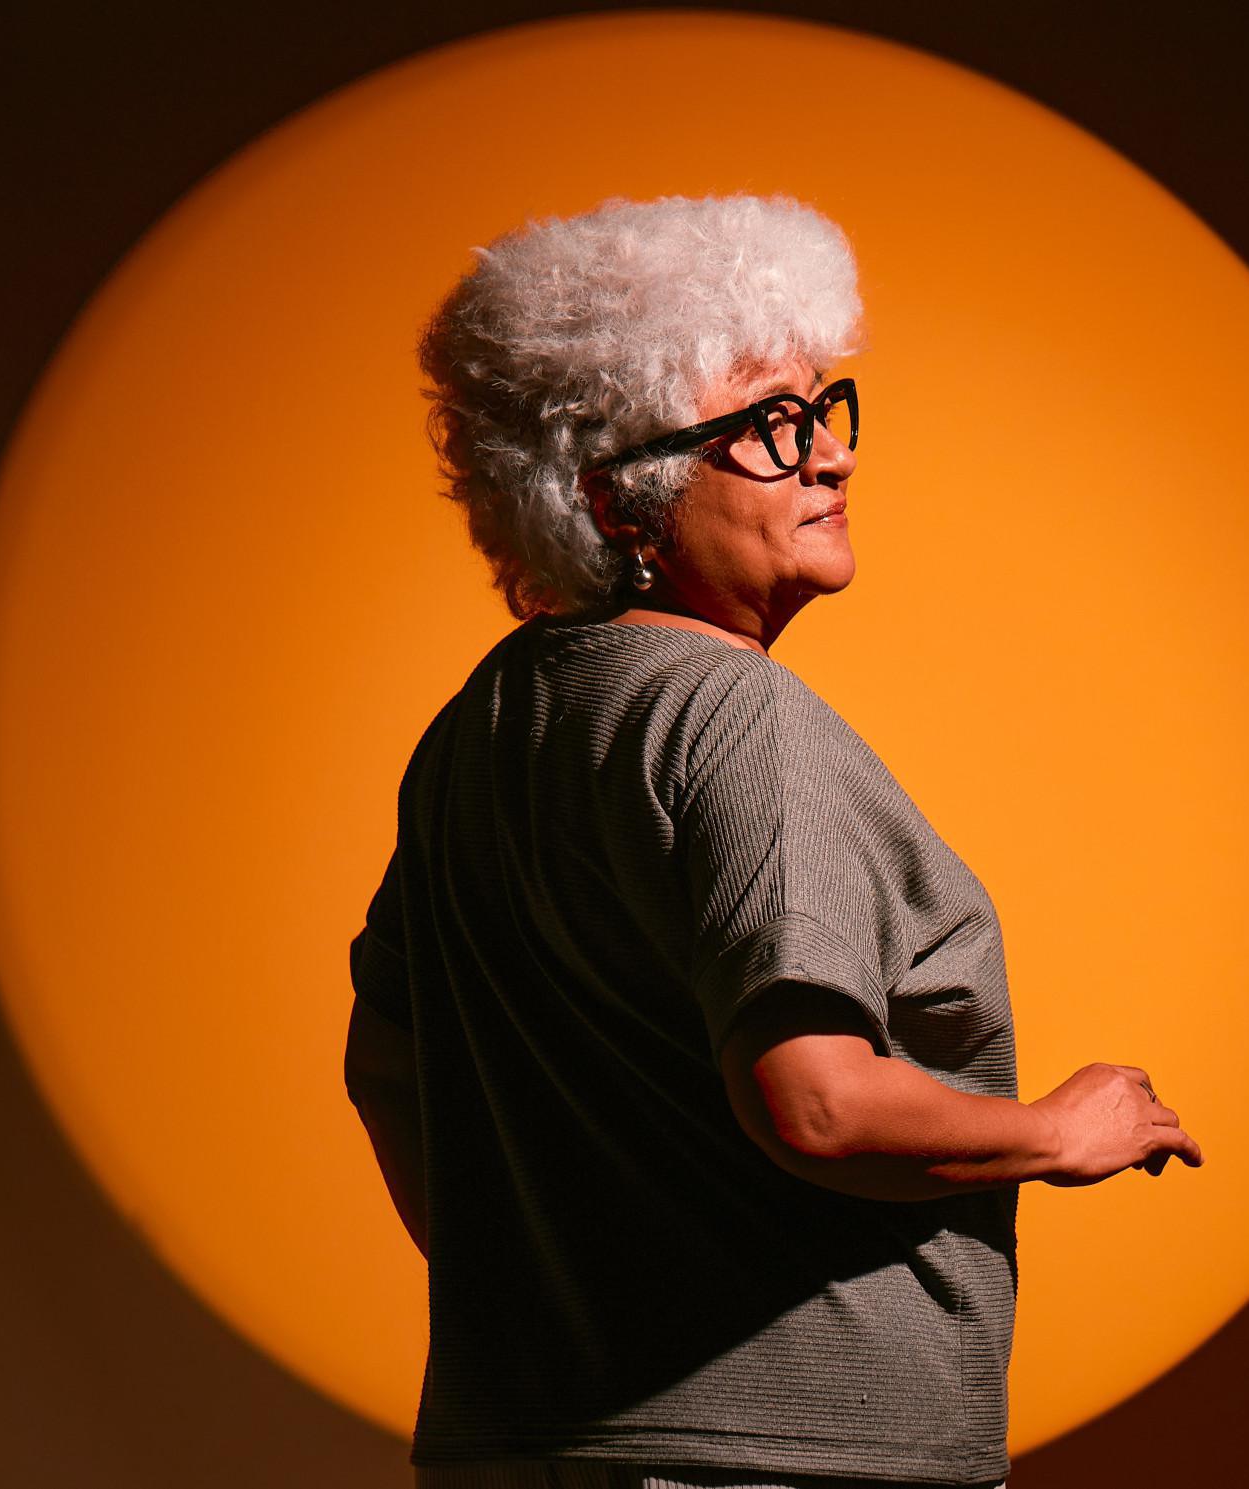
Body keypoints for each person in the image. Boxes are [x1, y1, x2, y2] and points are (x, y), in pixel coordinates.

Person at [343, 193, 1203, 1489]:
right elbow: (814, 1100)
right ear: (615, 499)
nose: (831, 458)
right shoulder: (731, 715)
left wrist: (555, 1294)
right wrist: (1058, 1129)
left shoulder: (482, 725)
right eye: (766, 426)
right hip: (783, 1459)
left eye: (822, 410)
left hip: (517, 1447)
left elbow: (387, 1064)